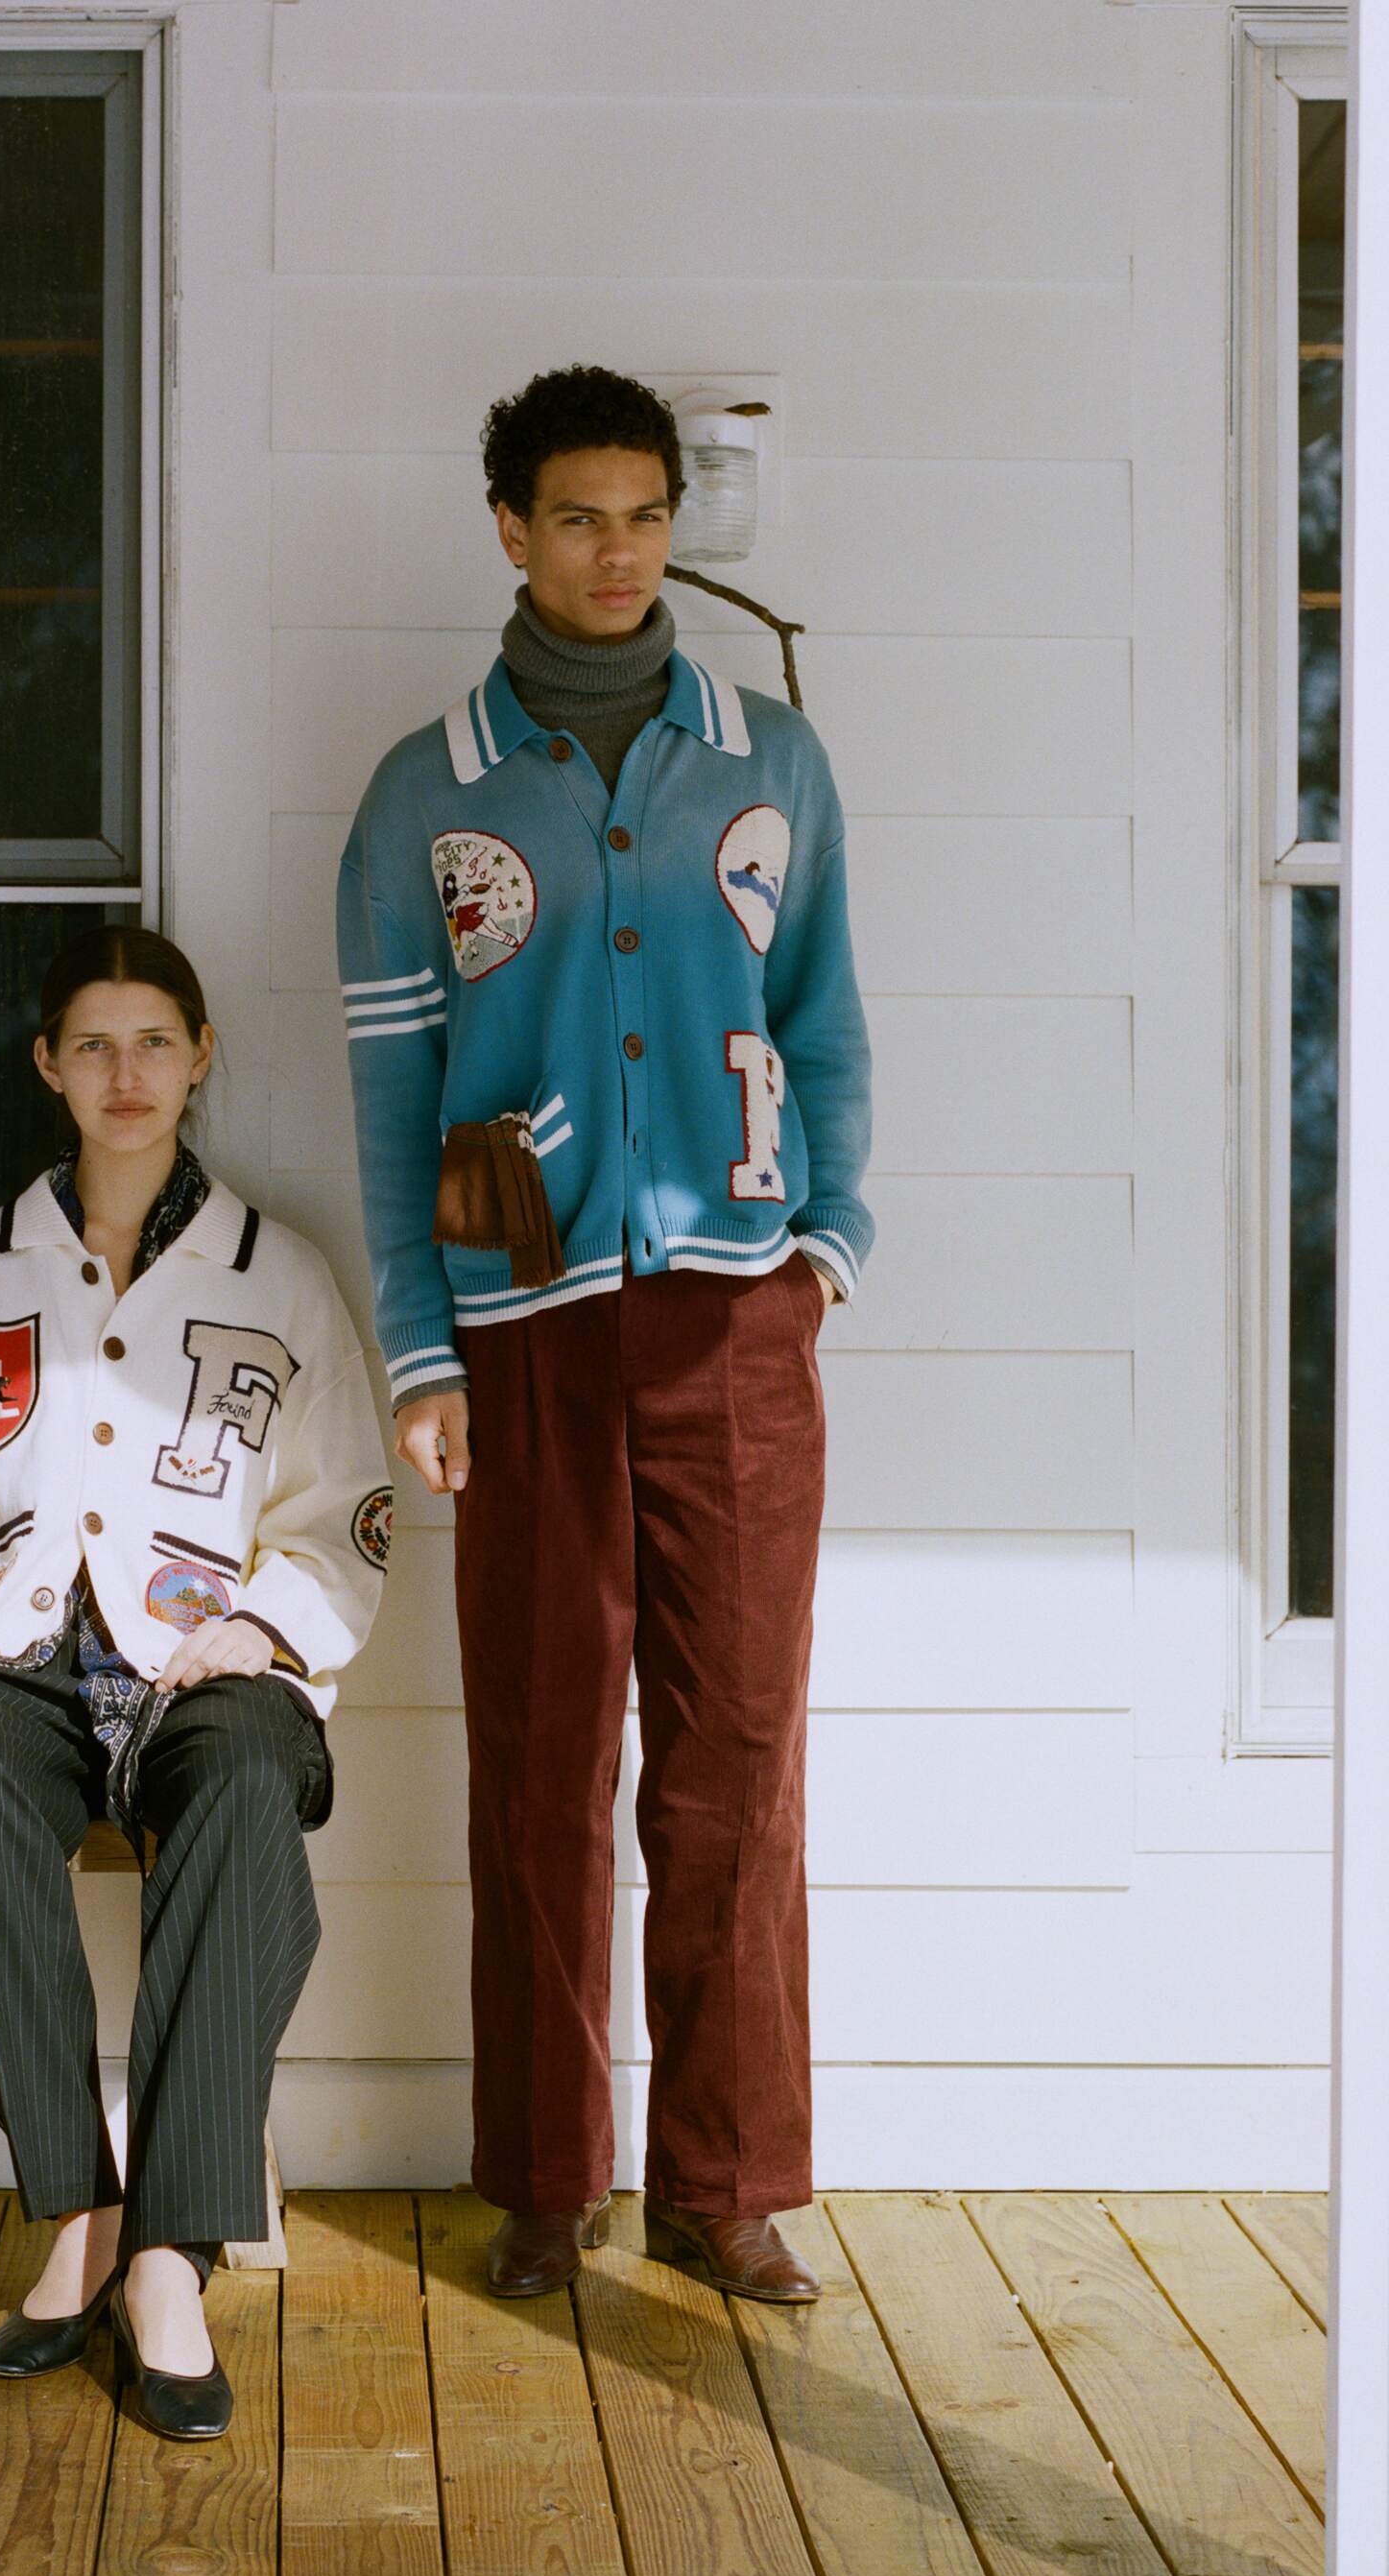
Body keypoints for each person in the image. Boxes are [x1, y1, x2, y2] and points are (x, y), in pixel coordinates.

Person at [335, 365, 873, 2305]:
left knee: (735, 1756)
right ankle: (543, 2180)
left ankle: (724, 2185)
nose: (614, 547)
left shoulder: (764, 757)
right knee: (541, 1754)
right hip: (524, 1334)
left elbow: (818, 1016)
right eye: (574, 515)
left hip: (735, 1325)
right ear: (508, 529)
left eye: (642, 512)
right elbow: (398, 1101)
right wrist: (419, 1351)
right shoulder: (430, 787)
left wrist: (825, 1240)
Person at [0, 926, 392, 2436]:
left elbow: (342, 1514)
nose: (124, 1075)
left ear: (201, 1059)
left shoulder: (279, 1273)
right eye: (92, 1044)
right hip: (13, 1646)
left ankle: (171, 2261)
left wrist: (264, 1633)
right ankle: (75, 2205)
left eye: (154, 1042)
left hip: (204, 1653)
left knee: (254, 1780)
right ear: (47, 1067)